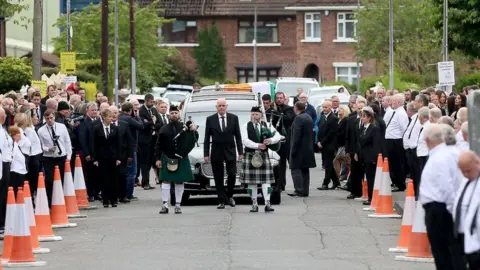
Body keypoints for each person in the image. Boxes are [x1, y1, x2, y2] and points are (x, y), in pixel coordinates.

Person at [420, 123, 464, 270]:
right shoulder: (447, 153)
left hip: (440, 209)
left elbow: (447, 187)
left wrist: (452, 211)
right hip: (442, 208)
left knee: (443, 252)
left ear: (427, 139)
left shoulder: (441, 157)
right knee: (449, 251)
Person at [155, 105, 198, 214]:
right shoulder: (164, 128)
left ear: (179, 114)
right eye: (172, 113)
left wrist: (193, 130)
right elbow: (158, 145)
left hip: (181, 157)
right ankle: (165, 205)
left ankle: (178, 205)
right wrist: (157, 159)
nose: (174, 115)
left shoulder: (185, 127)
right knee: (165, 180)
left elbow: (193, 139)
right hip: (167, 156)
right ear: (169, 115)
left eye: (176, 113)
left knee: (179, 181)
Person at [204, 98, 243, 209]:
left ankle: (230, 196)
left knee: (232, 174)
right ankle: (221, 200)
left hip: (230, 151)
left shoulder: (233, 118)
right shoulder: (210, 119)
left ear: (226, 106)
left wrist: (240, 152)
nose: (221, 107)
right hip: (216, 151)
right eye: (219, 106)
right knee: (218, 177)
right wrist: (206, 153)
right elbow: (207, 138)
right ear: (216, 107)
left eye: (223, 105)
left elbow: (238, 136)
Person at [240, 106, 281, 212]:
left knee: (266, 181)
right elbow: (244, 140)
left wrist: (270, 140)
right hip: (250, 154)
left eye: (256, 114)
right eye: (252, 114)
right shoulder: (245, 126)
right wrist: (258, 145)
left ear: (261, 115)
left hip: (263, 155)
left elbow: (278, 136)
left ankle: (267, 203)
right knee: (251, 183)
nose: (254, 116)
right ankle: (254, 203)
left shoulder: (266, 125)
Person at [37, 109, 72, 207]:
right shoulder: (41, 130)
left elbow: (67, 142)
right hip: (48, 157)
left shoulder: (62, 127)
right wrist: (48, 149)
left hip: (61, 156)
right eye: (47, 118)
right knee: (50, 179)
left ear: (54, 117)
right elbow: (40, 146)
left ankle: (62, 200)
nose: (49, 120)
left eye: (51, 118)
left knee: (61, 179)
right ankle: (50, 201)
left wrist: (68, 157)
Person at [90, 109, 121, 208]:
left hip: (113, 157)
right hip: (101, 158)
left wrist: (118, 158)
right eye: (109, 117)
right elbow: (93, 144)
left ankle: (114, 199)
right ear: (103, 117)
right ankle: (105, 200)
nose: (111, 119)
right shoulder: (96, 128)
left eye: (112, 117)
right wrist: (94, 159)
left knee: (114, 179)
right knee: (104, 179)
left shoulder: (115, 128)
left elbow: (118, 144)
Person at [454, 151, 479, 270]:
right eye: (462, 171)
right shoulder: (465, 183)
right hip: (463, 238)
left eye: (468, 170)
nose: (465, 174)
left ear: (477, 163)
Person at [288, 102, 316, 197]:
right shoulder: (308, 117)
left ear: (296, 108)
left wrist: (293, 149)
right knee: (304, 170)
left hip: (299, 149)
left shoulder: (298, 118)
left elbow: (296, 135)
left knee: (295, 169)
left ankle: (299, 190)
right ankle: (305, 190)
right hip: (307, 148)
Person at [356, 107, 381, 206]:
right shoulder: (363, 127)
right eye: (362, 116)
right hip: (364, 156)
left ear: (370, 117)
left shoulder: (374, 128)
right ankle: (369, 196)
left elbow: (376, 144)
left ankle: (372, 198)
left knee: (371, 178)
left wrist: (375, 158)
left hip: (371, 157)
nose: (362, 118)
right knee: (367, 177)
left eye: (364, 117)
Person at [118, 102, 144, 201]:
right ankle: (128, 194)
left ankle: (121, 193)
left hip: (121, 148)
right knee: (131, 173)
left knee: (123, 172)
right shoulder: (129, 118)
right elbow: (141, 126)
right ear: (130, 110)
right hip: (131, 148)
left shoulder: (119, 117)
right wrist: (137, 116)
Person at [271, 92, 295, 191]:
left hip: (285, 140)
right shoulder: (272, 109)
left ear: (284, 99)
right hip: (273, 140)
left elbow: (289, 119)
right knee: (274, 163)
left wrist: (277, 114)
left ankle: (281, 184)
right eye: (277, 98)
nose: (279, 99)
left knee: (282, 164)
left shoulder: (288, 109)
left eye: (281, 98)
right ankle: (275, 183)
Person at [385, 94, 409, 192]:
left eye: (394, 101)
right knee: (392, 164)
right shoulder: (396, 112)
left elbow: (404, 129)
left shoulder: (401, 114)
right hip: (391, 141)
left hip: (396, 141)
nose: (392, 103)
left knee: (397, 164)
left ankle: (400, 184)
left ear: (399, 102)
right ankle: (395, 182)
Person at [110, 106, 133, 204]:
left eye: (116, 113)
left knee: (123, 175)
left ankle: (123, 196)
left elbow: (130, 140)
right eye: (112, 113)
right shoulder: (104, 125)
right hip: (110, 155)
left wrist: (130, 155)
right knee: (112, 176)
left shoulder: (124, 125)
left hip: (123, 154)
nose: (114, 115)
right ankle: (113, 196)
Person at [137, 94, 161, 190]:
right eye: (151, 102)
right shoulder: (141, 111)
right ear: (146, 101)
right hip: (144, 141)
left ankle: (157, 179)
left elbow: (160, 123)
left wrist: (152, 124)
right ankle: (145, 182)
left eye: (153, 102)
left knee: (153, 161)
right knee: (145, 162)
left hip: (153, 140)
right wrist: (152, 122)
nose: (152, 103)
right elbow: (143, 125)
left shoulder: (154, 110)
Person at [316, 100, 339, 190]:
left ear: (330, 107)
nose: (324, 109)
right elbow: (319, 130)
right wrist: (318, 141)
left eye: (326, 107)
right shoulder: (322, 117)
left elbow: (331, 133)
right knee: (328, 164)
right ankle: (336, 181)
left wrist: (322, 142)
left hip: (329, 145)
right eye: (323, 107)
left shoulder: (333, 118)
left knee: (328, 164)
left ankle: (325, 183)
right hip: (322, 144)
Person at [8, 126, 27, 196]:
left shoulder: (16, 145)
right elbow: (11, 158)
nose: (21, 134)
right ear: (15, 135)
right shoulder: (13, 145)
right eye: (19, 133)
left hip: (20, 172)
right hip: (16, 173)